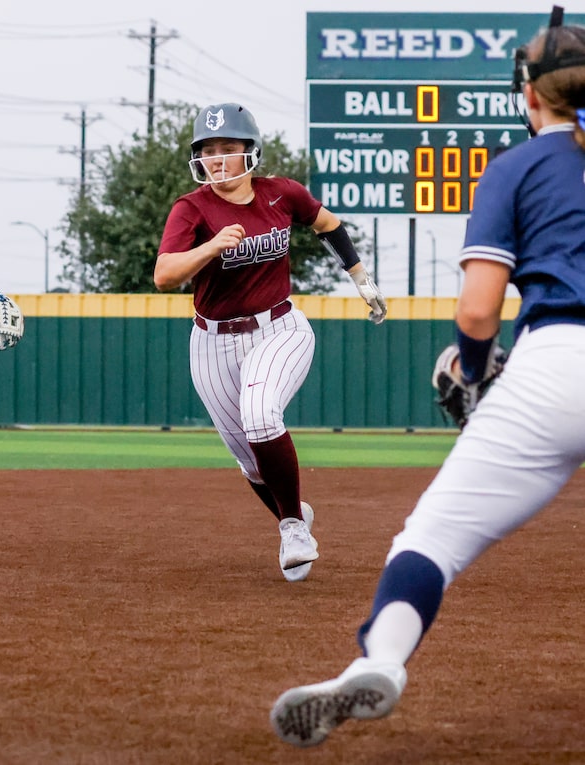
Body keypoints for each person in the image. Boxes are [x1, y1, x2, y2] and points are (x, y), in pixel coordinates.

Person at [271, 11, 585, 746]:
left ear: (528, 95)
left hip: (555, 363)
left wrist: (473, 376)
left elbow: (479, 312)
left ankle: (378, 661)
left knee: (434, 538)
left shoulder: (516, 166)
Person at [154, 103, 386, 582]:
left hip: (280, 327)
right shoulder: (192, 207)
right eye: (208, 151)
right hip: (212, 342)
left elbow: (328, 224)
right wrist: (211, 246)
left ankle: (293, 527)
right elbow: (164, 275)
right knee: (250, 461)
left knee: (261, 416)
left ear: (250, 152)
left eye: (228, 149)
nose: (217, 160)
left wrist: (361, 277)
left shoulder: (281, 194)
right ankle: (293, 512)